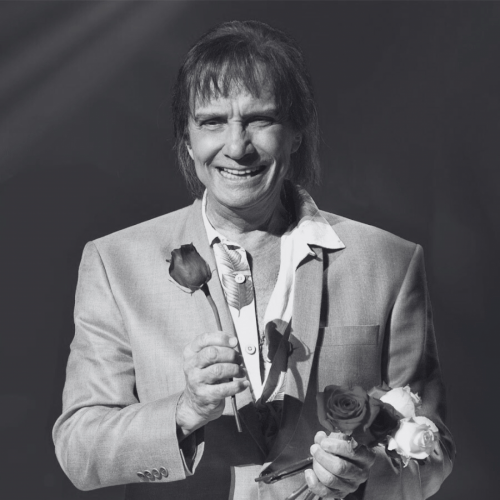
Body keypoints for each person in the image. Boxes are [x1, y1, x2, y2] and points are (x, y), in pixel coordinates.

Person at [53, 20, 455, 500]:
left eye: (260, 119)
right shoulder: (115, 264)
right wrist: (184, 411)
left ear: (296, 133)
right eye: (212, 122)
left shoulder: (390, 262)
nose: (236, 146)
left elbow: (432, 448)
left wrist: (365, 474)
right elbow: (80, 449)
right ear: (187, 139)